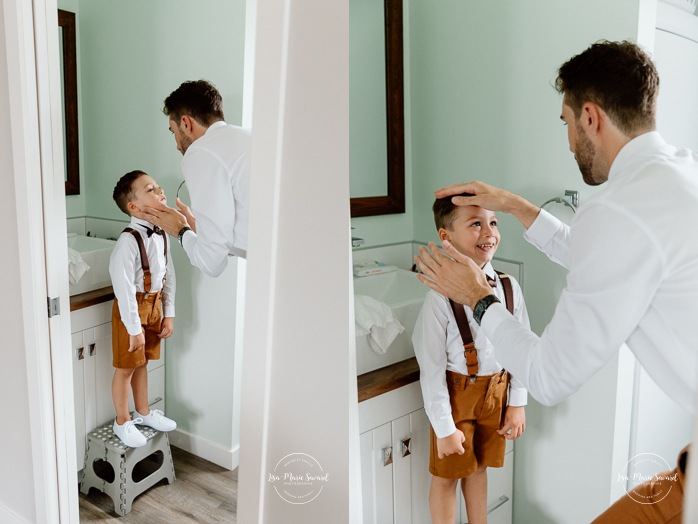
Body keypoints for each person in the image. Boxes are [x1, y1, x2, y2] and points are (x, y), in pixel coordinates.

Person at [414, 40, 698, 522]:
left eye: (566, 124)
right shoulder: (678, 174)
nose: (568, 143)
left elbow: (547, 376)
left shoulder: (620, 210)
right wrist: (516, 205)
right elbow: (604, 258)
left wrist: (478, 299)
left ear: (590, 117)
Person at [413, 195, 528, 524]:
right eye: (475, 223)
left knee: (478, 469)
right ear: (446, 237)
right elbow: (431, 370)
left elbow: (522, 348)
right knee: (447, 477)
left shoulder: (509, 286)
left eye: (493, 222)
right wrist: (445, 428)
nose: (488, 231)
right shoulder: (438, 296)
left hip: (497, 393)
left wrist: (517, 402)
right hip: (456, 398)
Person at [144, 79, 250, 277]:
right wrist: (202, 228)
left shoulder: (200, 151)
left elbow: (212, 265)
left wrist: (181, 231)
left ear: (185, 123)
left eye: (173, 132)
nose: (176, 145)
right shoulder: (248, 137)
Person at [109, 170, 178, 447]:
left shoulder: (162, 234)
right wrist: (134, 328)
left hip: (154, 304)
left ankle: (144, 412)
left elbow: (169, 275)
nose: (159, 191)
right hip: (132, 310)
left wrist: (168, 313)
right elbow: (124, 290)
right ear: (133, 206)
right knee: (126, 367)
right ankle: (122, 421)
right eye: (150, 189)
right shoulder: (127, 242)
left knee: (143, 362)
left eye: (158, 187)